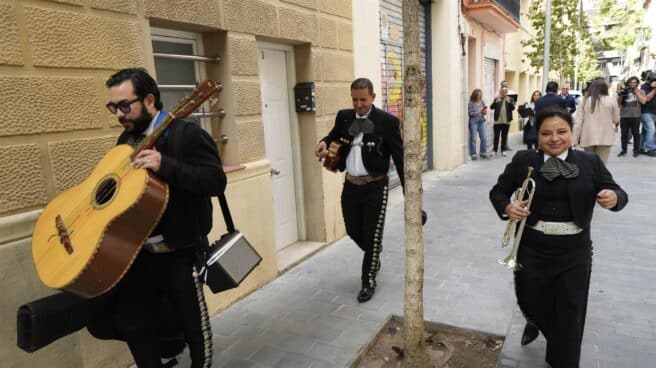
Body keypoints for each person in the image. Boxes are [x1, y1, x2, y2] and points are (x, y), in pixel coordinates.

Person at [105, 68, 226, 367]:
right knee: (132, 321)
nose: (119, 115)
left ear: (148, 100)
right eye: (113, 107)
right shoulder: (125, 140)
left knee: (193, 327)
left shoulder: (186, 134)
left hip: (181, 253)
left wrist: (166, 164)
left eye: (124, 106)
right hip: (141, 253)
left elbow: (215, 181)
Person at [490, 107, 628, 368]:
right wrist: (508, 207)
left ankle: (561, 359)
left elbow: (617, 191)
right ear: (538, 136)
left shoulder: (590, 162)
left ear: (572, 133)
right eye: (546, 133)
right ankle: (535, 322)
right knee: (529, 299)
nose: (554, 138)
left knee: (570, 312)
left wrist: (614, 198)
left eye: (561, 131)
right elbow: (497, 191)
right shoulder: (524, 160)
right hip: (532, 248)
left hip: (574, 251)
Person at [314, 78, 404, 303]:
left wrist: (410, 196)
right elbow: (332, 135)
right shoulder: (344, 116)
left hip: (376, 186)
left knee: (372, 236)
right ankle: (374, 251)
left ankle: (368, 281)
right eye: (354, 99)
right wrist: (324, 142)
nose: (358, 104)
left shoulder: (388, 122)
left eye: (363, 99)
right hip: (351, 185)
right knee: (353, 229)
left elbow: (401, 160)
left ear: (373, 97)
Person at [573, 79, 620, 164]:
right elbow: (616, 119)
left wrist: (574, 140)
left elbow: (578, 123)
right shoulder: (611, 100)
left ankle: (590, 177)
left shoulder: (584, 101)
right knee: (601, 165)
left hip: (588, 136)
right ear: (605, 88)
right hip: (606, 137)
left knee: (589, 164)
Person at [616, 77, 642, 157]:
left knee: (636, 134)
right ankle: (623, 151)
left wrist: (636, 93)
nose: (633, 84)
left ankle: (636, 151)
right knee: (624, 134)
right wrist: (620, 94)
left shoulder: (641, 91)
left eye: (634, 83)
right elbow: (619, 103)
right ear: (628, 83)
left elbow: (643, 101)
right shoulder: (624, 91)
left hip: (636, 115)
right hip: (624, 115)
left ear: (637, 83)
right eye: (631, 82)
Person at [490, 86, 516, 157]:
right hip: (497, 121)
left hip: (506, 121)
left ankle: (503, 150)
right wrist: (496, 102)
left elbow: (513, 108)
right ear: (500, 92)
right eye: (502, 91)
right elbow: (491, 107)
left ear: (507, 92)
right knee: (496, 136)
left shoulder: (511, 99)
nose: (504, 92)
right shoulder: (497, 98)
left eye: (505, 91)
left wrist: (509, 102)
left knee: (504, 136)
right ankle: (494, 150)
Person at [636, 72, 656, 156]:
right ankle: (651, 149)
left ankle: (640, 147)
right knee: (652, 129)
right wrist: (654, 89)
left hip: (654, 112)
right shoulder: (644, 87)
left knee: (645, 131)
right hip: (646, 112)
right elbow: (646, 99)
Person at [468, 88, 489, 160]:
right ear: (475, 95)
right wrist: (478, 111)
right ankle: (473, 154)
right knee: (473, 138)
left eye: (481, 95)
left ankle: (483, 153)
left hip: (481, 121)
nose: (480, 96)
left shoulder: (482, 102)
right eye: (478, 95)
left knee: (484, 138)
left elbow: (483, 111)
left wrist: (484, 112)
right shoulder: (471, 103)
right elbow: (471, 114)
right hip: (474, 122)